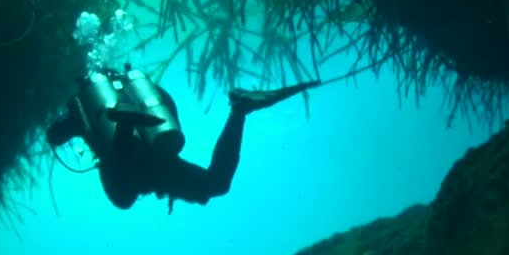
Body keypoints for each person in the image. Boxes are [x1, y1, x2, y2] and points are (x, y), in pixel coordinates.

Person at [46, 65, 319, 211]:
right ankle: (239, 109)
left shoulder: (87, 106)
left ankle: (126, 127)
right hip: (158, 154)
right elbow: (165, 104)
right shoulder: (134, 87)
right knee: (216, 183)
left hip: (128, 166)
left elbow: (54, 136)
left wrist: (75, 114)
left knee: (123, 198)